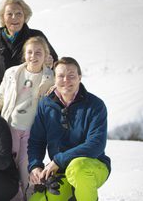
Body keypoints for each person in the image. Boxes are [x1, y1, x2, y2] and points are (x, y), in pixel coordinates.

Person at [27, 57, 111, 201]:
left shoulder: (96, 105)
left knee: (77, 168)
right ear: (54, 78)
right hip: (61, 169)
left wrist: (58, 161)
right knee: (37, 199)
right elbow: (36, 141)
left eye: (71, 76)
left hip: (93, 166)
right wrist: (35, 166)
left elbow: (96, 144)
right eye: (61, 76)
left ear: (79, 77)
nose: (66, 80)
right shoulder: (44, 105)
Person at [0, 36, 55, 200]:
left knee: (27, 170)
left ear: (46, 55)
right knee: (9, 170)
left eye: (38, 53)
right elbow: (0, 98)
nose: (33, 56)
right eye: (30, 52)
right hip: (11, 127)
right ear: (24, 54)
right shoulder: (12, 73)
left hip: (32, 132)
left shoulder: (51, 78)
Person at [0, 0, 58, 96]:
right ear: (3, 17)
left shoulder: (37, 37)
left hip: (29, 101)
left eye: (18, 13)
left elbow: (55, 67)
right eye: (9, 14)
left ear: (25, 16)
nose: (14, 17)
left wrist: (49, 64)